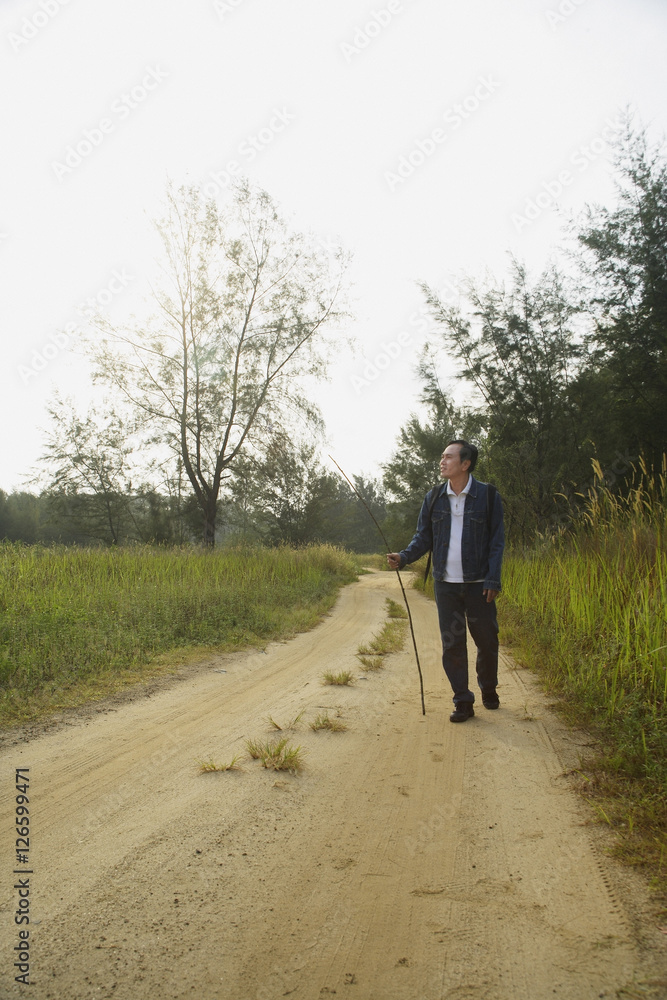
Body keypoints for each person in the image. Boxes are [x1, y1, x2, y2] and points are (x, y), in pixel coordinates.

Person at [387, 440, 504, 723]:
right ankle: (462, 700)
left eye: (449, 457)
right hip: (445, 585)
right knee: (452, 644)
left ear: (465, 464)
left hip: (479, 584)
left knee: (486, 641)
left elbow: (496, 542)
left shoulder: (488, 496)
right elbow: (423, 537)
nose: (442, 461)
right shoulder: (434, 497)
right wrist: (403, 557)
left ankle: (488, 687)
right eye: (442, 456)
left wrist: (492, 578)